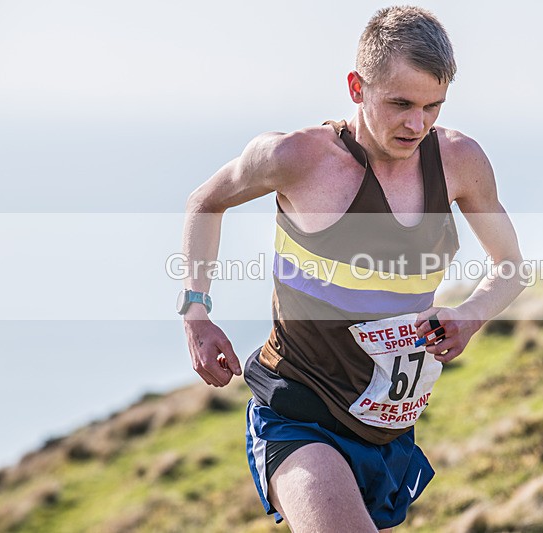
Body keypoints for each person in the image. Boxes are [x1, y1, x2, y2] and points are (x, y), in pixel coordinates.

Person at [180, 6, 524, 531]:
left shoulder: (459, 162)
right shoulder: (295, 158)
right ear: (357, 87)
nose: (418, 124)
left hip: (390, 431)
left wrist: (471, 315)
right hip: (298, 413)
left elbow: (511, 268)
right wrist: (196, 315)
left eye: (433, 106)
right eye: (401, 103)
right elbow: (205, 202)